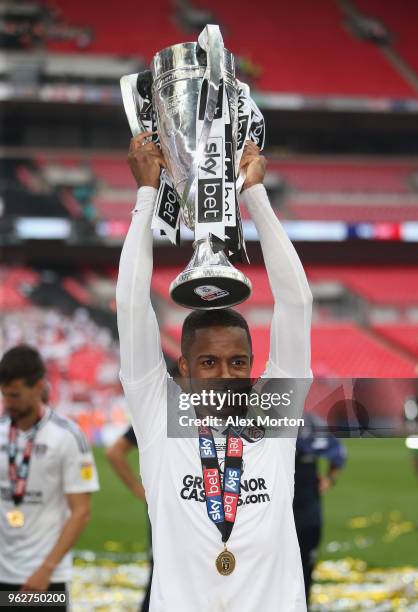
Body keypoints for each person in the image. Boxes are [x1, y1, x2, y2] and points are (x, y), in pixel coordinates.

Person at [116, 132, 313, 611]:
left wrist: (256, 195)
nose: (225, 374)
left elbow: (297, 303)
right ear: (183, 366)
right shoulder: (160, 413)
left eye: (238, 361)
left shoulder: (271, 415)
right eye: (208, 362)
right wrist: (146, 194)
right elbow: (130, 305)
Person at [0, 344, 99, 609]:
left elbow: (81, 512)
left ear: (39, 387)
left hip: (46, 578)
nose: (8, 402)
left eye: (15, 395)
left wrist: (47, 568)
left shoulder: (66, 436)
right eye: (5, 395)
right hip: (2, 573)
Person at [293, 413, 347, 607]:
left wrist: (329, 480)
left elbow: (338, 454)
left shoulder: (312, 424)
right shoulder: (264, 423)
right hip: (275, 513)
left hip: (307, 511)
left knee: (305, 567)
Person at [106, 427, 152, 612]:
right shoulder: (168, 411)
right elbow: (115, 452)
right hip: (171, 511)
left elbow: (114, 452)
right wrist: (140, 490)